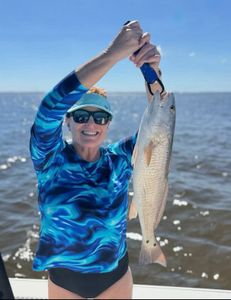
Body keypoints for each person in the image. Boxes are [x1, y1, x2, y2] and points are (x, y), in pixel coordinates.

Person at [30, 20, 161, 299]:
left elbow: (158, 127)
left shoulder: (121, 157)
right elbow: (48, 108)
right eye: (81, 116)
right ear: (68, 121)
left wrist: (154, 73)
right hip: (64, 282)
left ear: (108, 124)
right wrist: (111, 54)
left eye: (100, 117)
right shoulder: (49, 159)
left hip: (115, 278)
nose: (91, 123)